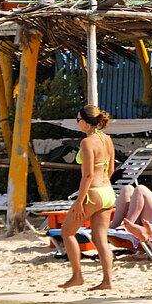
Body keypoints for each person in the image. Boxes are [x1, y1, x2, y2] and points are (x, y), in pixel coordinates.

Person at [59, 105, 115, 290]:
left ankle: (77, 276)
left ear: (85, 121)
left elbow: (88, 175)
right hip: (107, 192)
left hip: (93, 193)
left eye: (78, 119)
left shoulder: (87, 142)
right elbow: (112, 169)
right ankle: (107, 281)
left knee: (67, 232)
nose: (77, 123)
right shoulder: (107, 139)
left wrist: (79, 201)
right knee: (100, 238)